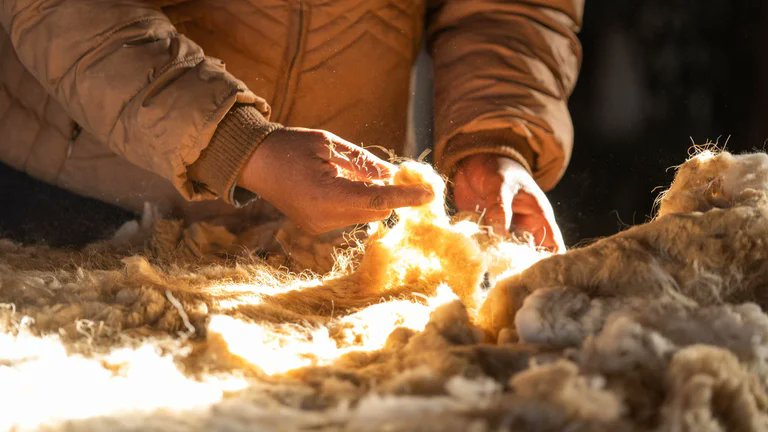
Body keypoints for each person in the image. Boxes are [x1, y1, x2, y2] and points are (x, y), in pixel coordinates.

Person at [0, 0, 582, 252]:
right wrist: (236, 144)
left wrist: (496, 135)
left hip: (335, 217)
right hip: (85, 186)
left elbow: (508, 8)